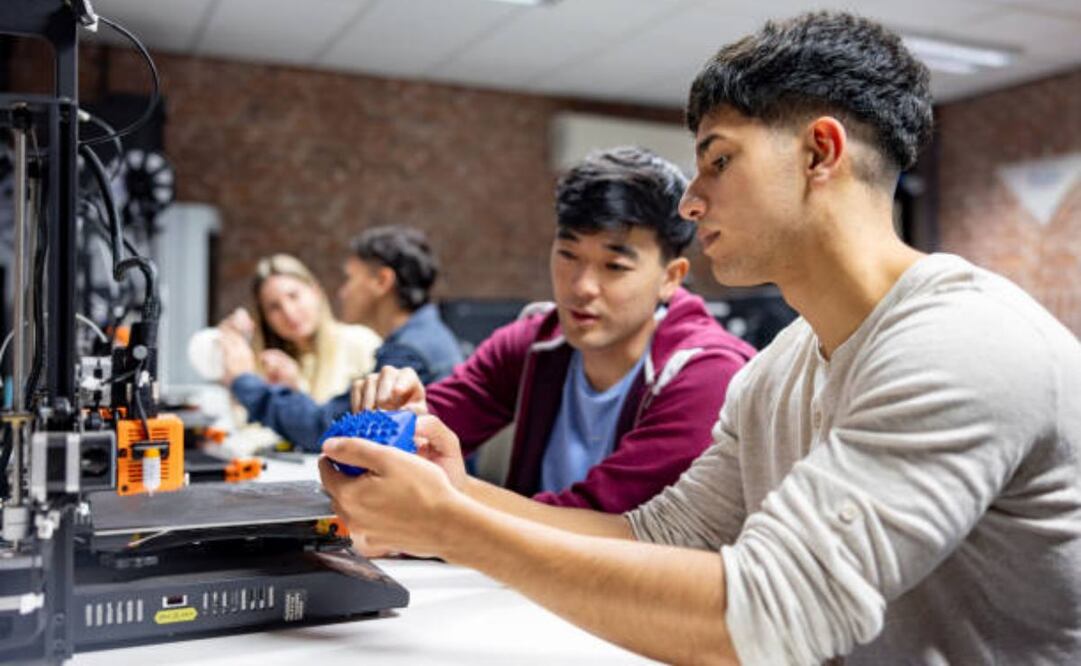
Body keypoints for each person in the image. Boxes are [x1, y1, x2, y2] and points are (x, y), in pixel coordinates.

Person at [320, 11, 1081, 665]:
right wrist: (458, 496)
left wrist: (452, 525)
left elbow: (770, 616)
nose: (692, 195)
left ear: (819, 153)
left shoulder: (961, 343)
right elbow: (659, 534)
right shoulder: (780, 368)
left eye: (719, 159)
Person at [353, 146, 754, 513]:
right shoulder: (535, 342)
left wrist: (450, 500)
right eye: (568, 255)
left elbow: (609, 522)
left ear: (671, 277)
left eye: (615, 267)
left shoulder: (707, 375)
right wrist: (398, 420)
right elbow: (428, 427)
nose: (581, 287)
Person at [224, 225, 463, 450]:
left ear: (382, 281)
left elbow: (327, 428)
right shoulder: (421, 337)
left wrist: (244, 381)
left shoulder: (408, 351)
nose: (342, 292)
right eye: (274, 307)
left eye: (350, 278)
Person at [218, 253, 381, 403]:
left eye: (294, 296)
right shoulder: (268, 363)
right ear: (264, 317)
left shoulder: (361, 343)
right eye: (274, 307)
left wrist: (296, 390)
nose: (289, 312)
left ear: (315, 292)